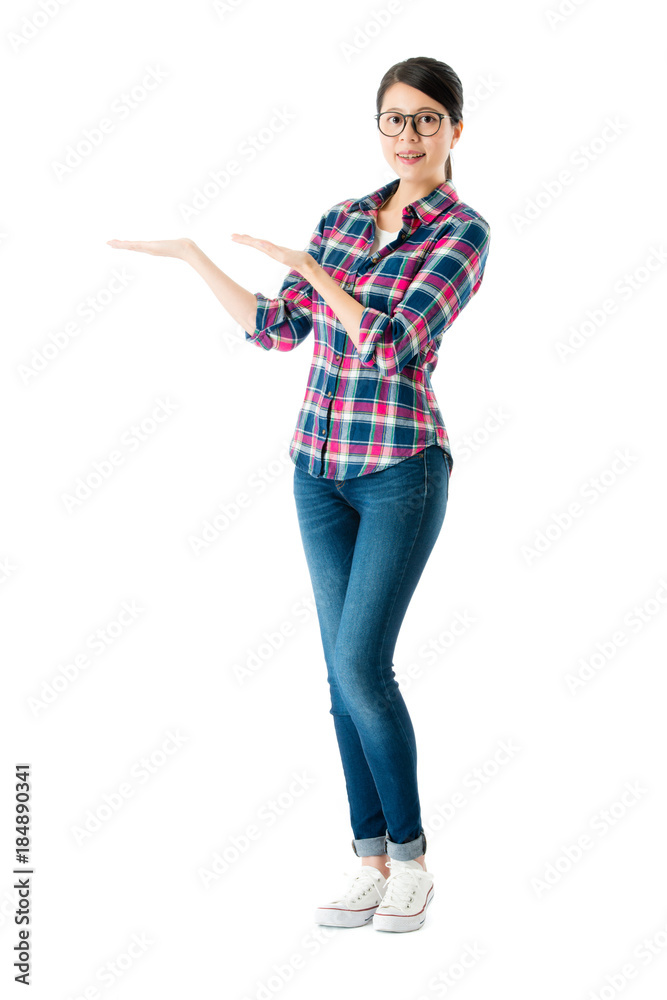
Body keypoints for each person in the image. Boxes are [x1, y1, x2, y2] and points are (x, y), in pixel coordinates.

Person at [107, 55, 491, 934]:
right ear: (379, 126)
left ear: (455, 130)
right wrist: (194, 258)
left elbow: (392, 343)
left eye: (427, 119)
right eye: (394, 119)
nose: (408, 135)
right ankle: (368, 860)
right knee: (337, 677)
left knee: (363, 666)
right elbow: (277, 329)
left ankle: (413, 862)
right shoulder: (343, 218)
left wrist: (314, 273)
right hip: (315, 470)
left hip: (400, 468)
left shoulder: (460, 233)